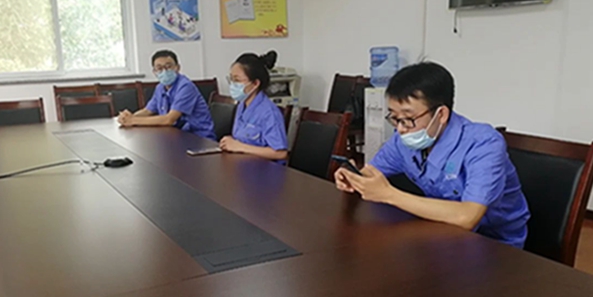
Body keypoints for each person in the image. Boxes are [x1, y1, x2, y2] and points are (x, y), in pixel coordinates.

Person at [335, 61, 530, 248]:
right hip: (441, 232)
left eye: (408, 118)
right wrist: (354, 176)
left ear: (441, 114)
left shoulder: (484, 144)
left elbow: (468, 217)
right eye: (394, 117)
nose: (401, 128)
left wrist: (388, 194)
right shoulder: (403, 139)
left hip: (495, 244)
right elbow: (372, 172)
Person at [117, 50, 216, 140]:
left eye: (168, 67)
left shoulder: (186, 86)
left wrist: (133, 120)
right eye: (159, 68)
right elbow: (148, 110)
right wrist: (128, 117)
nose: (164, 71)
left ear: (177, 68)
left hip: (199, 139)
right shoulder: (160, 87)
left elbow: (169, 119)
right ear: (154, 72)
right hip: (177, 136)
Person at [219, 51, 289, 162]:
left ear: (255, 83)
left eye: (237, 80)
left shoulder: (269, 112)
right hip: (243, 164)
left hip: (265, 169)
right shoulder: (242, 105)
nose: (232, 84)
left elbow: (280, 153)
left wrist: (239, 147)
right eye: (231, 79)